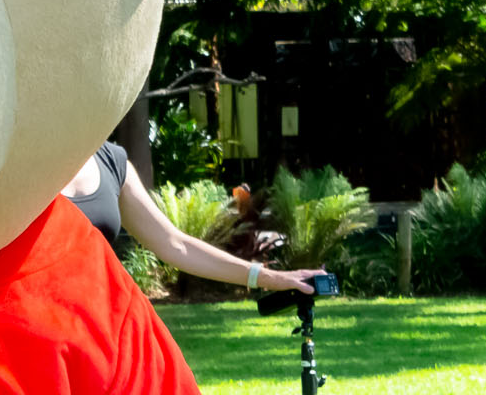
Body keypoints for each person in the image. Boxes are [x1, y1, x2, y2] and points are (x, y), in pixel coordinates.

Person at [61, 102, 332, 295]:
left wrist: (272, 278)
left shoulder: (112, 162)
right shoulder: (22, 163)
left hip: (95, 327)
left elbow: (175, 243)